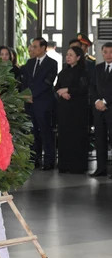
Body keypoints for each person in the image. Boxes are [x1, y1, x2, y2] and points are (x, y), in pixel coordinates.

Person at [20, 37, 58, 170]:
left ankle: (49, 161)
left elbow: (47, 83)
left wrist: (32, 94)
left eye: (35, 46)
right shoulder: (30, 63)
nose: (32, 49)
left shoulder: (52, 63)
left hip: (44, 103)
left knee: (46, 132)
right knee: (33, 133)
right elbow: (25, 81)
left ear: (43, 48)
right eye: (32, 46)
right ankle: (34, 160)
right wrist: (26, 94)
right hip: (30, 104)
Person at [55, 46, 89, 174]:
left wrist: (68, 90)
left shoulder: (82, 72)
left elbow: (83, 88)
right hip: (64, 109)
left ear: (78, 57)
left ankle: (77, 166)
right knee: (64, 136)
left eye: (71, 55)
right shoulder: (63, 72)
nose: (68, 57)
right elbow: (56, 87)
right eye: (67, 55)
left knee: (77, 137)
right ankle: (64, 165)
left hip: (78, 110)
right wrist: (61, 93)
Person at [88, 42, 112, 178]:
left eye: (111, 52)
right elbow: (92, 87)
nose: (108, 55)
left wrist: (105, 101)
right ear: (102, 53)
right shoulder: (97, 68)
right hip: (98, 110)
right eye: (106, 52)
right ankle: (101, 169)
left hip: (110, 108)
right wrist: (97, 101)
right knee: (100, 139)